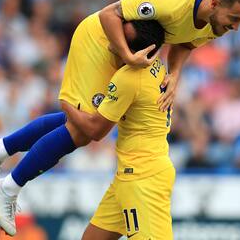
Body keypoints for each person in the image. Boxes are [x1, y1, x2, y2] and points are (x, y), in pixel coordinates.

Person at [0, 0, 240, 235]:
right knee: (83, 130)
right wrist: (126, 55)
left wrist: (176, 74)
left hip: (132, 57)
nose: (237, 27)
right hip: (101, 41)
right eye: (235, 19)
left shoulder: (216, 21)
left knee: (82, 125)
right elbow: (109, 15)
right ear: (215, 3)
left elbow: (185, 43)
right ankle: (10, 186)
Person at [61, 43, 174, 239]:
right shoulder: (156, 64)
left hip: (141, 178)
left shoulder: (130, 76)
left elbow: (95, 130)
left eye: (120, 37)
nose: (111, 43)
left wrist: (66, 103)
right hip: (135, 171)